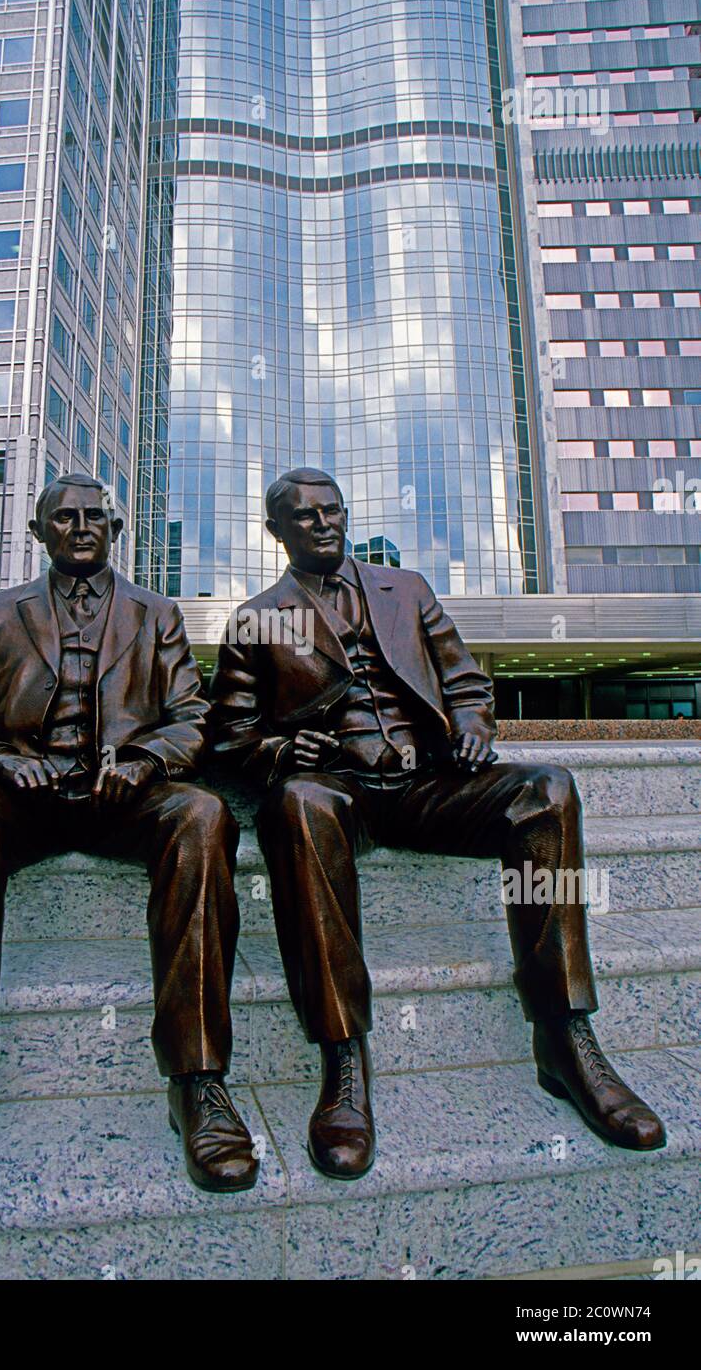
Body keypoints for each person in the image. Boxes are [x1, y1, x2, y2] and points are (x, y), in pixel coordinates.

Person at [210, 467, 665, 1180]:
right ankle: (342, 1060)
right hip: (340, 791)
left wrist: (474, 724)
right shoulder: (255, 619)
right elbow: (228, 733)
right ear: (276, 532)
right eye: (305, 517)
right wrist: (274, 748)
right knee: (301, 805)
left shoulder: (407, 589)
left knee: (546, 789)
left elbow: (463, 680)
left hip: (429, 782)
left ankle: (565, 1037)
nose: (325, 524)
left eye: (334, 511)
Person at [0, 472, 258, 1226]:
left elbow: (191, 716)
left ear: (115, 530)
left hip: (125, 800)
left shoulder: (156, 615)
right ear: (39, 531)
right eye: (65, 518)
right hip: (24, 799)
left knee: (204, 814)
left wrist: (147, 761)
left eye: (96, 518)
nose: (82, 528)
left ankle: (200, 1081)